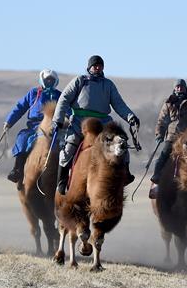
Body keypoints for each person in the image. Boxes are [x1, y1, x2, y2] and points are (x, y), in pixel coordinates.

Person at [52, 55, 139, 195]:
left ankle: (126, 173)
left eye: (100, 65)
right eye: (95, 65)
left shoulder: (108, 84)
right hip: (80, 121)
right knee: (69, 147)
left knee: (120, 143)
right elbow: (64, 99)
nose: (97, 67)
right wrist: (58, 119)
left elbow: (119, 104)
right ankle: (61, 182)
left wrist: (130, 117)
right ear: (89, 67)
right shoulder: (80, 81)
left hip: (103, 122)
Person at [148, 79, 187, 199]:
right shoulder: (169, 102)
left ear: (185, 87)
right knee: (164, 154)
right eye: (177, 87)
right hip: (172, 135)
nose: (179, 89)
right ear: (174, 88)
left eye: (181, 87)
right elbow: (161, 120)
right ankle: (157, 181)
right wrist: (159, 134)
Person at [3, 69, 62, 187]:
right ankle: (17, 170)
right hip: (34, 126)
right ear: (42, 80)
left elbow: (68, 108)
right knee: (22, 138)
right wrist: (9, 121)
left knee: (67, 144)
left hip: (55, 127)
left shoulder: (60, 95)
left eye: (52, 80)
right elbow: (20, 107)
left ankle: (65, 177)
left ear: (55, 81)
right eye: (47, 79)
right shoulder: (34, 93)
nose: (49, 82)